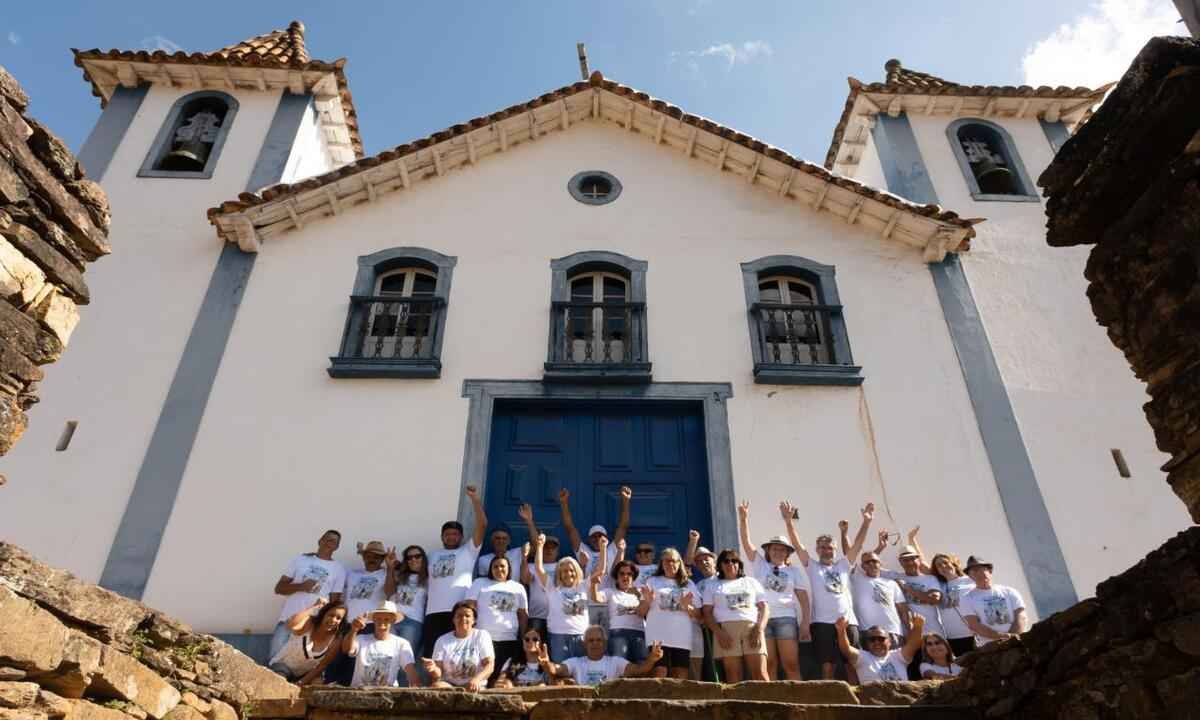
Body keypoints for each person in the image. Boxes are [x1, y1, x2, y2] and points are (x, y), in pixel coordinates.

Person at [784, 502, 874, 680]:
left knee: (852, 664)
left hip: (849, 622)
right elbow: (797, 544)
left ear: (835, 549)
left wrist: (867, 522)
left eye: (830, 547)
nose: (826, 550)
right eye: (822, 547)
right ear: (817, 550)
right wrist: (789, 522)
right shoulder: (812, 566)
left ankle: (858, 701)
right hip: (822, 623)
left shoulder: (844, 564)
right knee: (827, 667)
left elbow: (858, 544)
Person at [739, 502, 810, 680]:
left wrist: (805, 623)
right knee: (769, 664)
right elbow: (747, 544)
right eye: (775, 548)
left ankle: (799, 702)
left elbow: (803, 598)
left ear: (787, 553)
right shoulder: (760, 564)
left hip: (786, 618)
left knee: (791, 663)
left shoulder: (794, 571)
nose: (778, 551)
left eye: (782, 549)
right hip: (763, 619)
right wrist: (743, 519)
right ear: (768, 551)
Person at [423, 486, 488, 659]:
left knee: (458, 657)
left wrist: (474, 499)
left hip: (459, 613)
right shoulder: (432, 555)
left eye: (455, 534)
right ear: (442, 537)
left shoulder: (468, 551)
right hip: (433, 612)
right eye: (447, 534)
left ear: (461, 536)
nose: (451, 537)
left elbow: (482, 525)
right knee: (432, 657)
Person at [559, 486, 632, 628]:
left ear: (605, 538)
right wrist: (564, 503)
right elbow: (570, 528)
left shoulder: (611, 549)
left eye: (600, 536)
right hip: (587, 603)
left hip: (609, 603)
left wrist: (625, 501)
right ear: (589, 539)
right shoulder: (584, 551)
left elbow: (623, 526)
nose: (597, 538)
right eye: (594, 536)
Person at [270, 530, 347, 660]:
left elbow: (335, 603)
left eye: (334, 541)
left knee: (302, 664)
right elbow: (278, 588)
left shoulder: (339, 569)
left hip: (313, 624)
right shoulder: (301, 559)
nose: (330, 543)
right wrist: (301, 586)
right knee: (274, 659)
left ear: (337, 547)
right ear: (320, 541)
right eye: (327, 539)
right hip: (288, 619)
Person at [702, 549, 769, 682]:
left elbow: (764, 607)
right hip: (726, 629)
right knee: (733, 674)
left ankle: (769, 702)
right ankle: (737, 703)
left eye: (734, 561)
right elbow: (707, 613)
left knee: (760, 673)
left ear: (739, 564)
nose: (730, 564)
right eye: (726, 561)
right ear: (720, 565)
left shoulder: (751, 582)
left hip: (752, 628)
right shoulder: (712, 585)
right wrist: (719, 633)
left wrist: (759, 628)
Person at [466, 554, 528, 686]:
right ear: (490, 569)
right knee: (484, 677)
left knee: (504, 678)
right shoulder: (479, 583)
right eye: (495, 566)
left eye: (502, 566)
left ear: (509, 569)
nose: (499, 569)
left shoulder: (518, 587)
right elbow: (470, 607)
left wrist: (523, 636)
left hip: (509, 638)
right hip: (484, 637)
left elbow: (522, 615)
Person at [639, 547, 699, 679]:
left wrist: (687, 606)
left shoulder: (688, 584)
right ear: (661, 563)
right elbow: (640, 612)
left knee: (680, 673)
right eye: (666, 561)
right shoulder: (652, 582)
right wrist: (648, 601)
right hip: (657, 635)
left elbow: (699, 615)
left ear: (680, 563)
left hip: (681, 636)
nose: (670, 564)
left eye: (674, 561)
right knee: (659, 672)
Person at [540, 625, 664, 686]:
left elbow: (640, 670)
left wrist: (651, 659)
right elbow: (556, 670)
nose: (595, 643)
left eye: (599, 640)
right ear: (584, 644)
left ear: (605, 643)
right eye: (591, 640)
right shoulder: (575, 662)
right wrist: (546, 663)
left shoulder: (615, 662)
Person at [587, 536, 646, 662]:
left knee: (641, 666)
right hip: (618, 634)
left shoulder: (641, 592)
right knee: (620, 667)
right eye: (622, 574)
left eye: (629, 574)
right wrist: (593, 584)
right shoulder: (610, 592)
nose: (626, 576)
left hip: (639, 633)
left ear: (634, 577)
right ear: (616, 577)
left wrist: (640, 596)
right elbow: (596, 597)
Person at [533, 532, 589, 662]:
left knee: (579, 673)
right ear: (559, 573)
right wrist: (540, 546)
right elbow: (538, 568)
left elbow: (601, 571)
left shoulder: (583, 587)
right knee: (560, 673)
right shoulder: (552, 588)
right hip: (558, 636)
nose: (568, 573)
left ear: (576, 571)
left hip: (581, 636)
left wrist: (603, 549)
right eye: (564, 571)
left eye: (571, 570)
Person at [268, 597, 345, 684]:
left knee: (318, 682)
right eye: (331, 615)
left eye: (338, 618)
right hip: (283, 666)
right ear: (323, 614)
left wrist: (301, 682)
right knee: (280, 680)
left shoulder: (336, 640)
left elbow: (321, 666)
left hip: (304, 674)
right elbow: (291, 624)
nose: (333, 620)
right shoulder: (309, 623)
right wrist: (315, 607)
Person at [342, 601, 419, 688]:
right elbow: (346, 649)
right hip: (359, 692)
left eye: (386, 619)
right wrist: (354, 630)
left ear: (393, 621)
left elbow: (411, 671)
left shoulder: (402, 643)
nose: (382, 622)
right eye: (379, 618)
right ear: (374, 619)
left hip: (388, 694)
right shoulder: (360, 638)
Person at [425, 599, 495, 690]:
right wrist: (433, 668)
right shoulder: (442, 640)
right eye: (459, 616)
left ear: (474, 620)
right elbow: (438, 674)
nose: (463, 619)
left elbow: (489, 665)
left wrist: (476, 680)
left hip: (475, 684)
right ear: (453, 619)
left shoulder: (482, 636)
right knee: (437, 686)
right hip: (450, 685)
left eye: (467, 616)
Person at [835, 614, 924, 684]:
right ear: (867, 643)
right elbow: (845, 649)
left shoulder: (898, 655)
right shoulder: (862, 657)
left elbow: (914, 644)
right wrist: (841, 630)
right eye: (872, 639)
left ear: (889, 642)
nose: (877, 642)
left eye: (881, 639)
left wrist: (918, 627)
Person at [849, 550, 909, 651]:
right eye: (867, 562)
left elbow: (903, 609)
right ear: (862, 567)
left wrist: (910, 630)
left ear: (880, 564)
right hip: (867, 633)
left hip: (893, 632)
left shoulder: (892, 583)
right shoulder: (856, 580)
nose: (872, 564)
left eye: (874, 561)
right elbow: (850, 553)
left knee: (895, 666)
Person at [961, 556, 1027, 646]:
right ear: (970, 576)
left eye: (982, 569)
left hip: (1018, 642)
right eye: (974, 571)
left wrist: (1013, 637)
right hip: (990, 648)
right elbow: (974, 625)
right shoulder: (967, 598)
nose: (979, 573)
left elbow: (1021, 616)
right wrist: (1002, 637)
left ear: (990, 571)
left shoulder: (1010, 591)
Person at [516, 503, 560, 637]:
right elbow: (525, 579)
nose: (549, 550)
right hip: (536, 617)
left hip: (559, 617)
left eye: (553, 548)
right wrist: (524, 558)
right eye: (546, 547)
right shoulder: (531, 566)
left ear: (558, 550)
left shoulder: (563, 566)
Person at [684, 533, 721, 682]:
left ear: (714, 560)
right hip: (705, 627)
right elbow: (686, 565)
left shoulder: (723, 579)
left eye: (706, 559)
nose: (703, 562)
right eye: (699, 561)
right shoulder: (697, 586)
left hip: (722, 625)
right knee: (708, 662)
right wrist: (693, 541)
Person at [930, 552, 977, 657]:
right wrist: (912, 539)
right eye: (939, 565)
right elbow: (922, 565)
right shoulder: (939, 586)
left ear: (953, 563)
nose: (943, 566)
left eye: (945, 562)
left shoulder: (970, 580)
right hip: (953, 636)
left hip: (975, 633)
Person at [385, 545, 428, 654]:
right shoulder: (400, 576)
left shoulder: (430, 577)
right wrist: (390, 568)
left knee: (405, 660)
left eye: (417, 556)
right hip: (392, 619)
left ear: (424, 558)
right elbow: (389, 593)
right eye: (409, 557)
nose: (413, 559)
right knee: (388, 657)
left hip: (412, 622)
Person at [344, 541, 391, 630]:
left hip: (371, 623)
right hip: (348, 622)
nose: (372, 559)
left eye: (376, 557)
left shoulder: (386, 574)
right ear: (363, 557)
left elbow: (390, 593)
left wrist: (390, 568)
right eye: (368, 556)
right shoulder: (351, 573)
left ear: (382, 559)